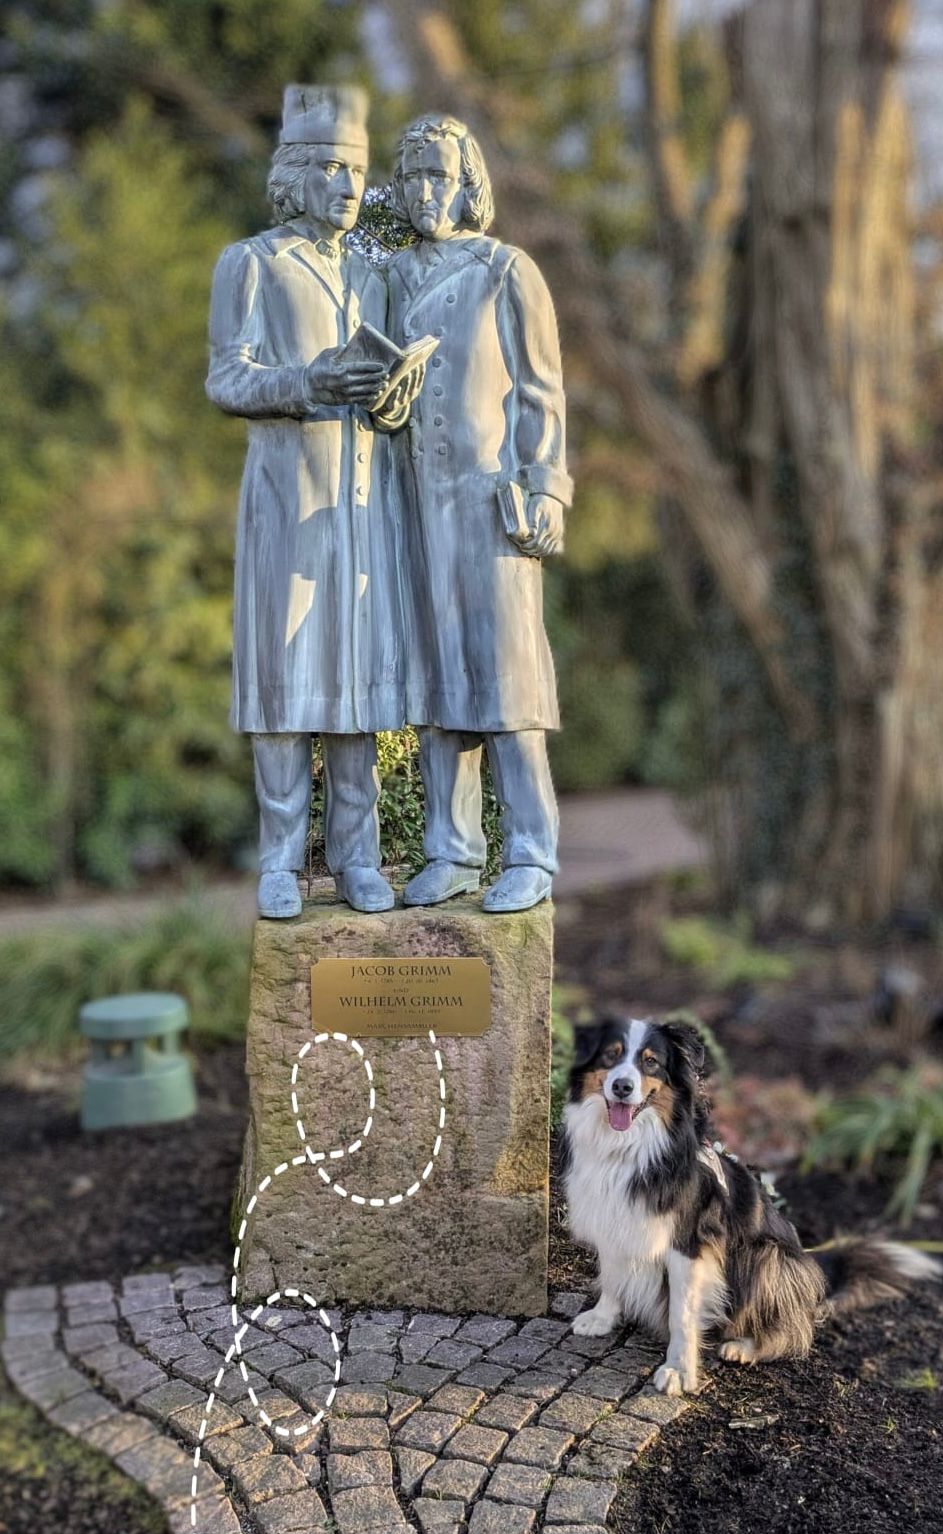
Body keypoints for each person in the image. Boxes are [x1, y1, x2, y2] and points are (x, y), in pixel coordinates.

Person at [206, 85, 422, 918]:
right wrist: (309, 382)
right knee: (286, 683)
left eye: (358, 172)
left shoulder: (373, 273)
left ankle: (359, 859)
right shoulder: (252, 262)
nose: (348, 187)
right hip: (284, 496)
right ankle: (280, 861)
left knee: (356, 688)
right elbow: (227, 377)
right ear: (293, 174)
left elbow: (389, 393)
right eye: (331, 168)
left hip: (360, 508)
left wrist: (392, 394)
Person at [384, 113, 572, 913]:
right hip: (411, 506)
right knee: (434, 682)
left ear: (468, 185)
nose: (427, 193)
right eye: (414, 176)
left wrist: (547, 487)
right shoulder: (387, 279)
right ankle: (452, 851)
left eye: (441, 177)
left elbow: (541, 392)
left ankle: (529, 849)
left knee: (506, 678)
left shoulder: (506, 270)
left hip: (491, 502)